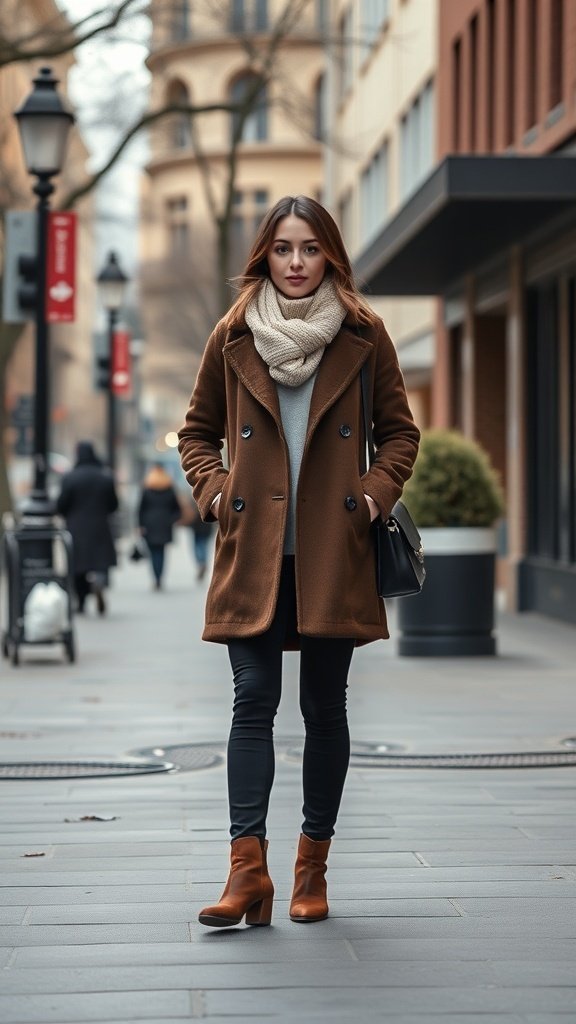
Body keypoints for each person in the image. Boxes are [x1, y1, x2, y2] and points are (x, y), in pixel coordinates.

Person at [178, 195, 420, 929]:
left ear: (330, 257)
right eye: (283, 248)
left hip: (331, 552)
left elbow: (400, 434)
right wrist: (218, 495)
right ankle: (246, 871)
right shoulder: (232, 335)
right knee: (252, 700)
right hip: (252, 549)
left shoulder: (363, 333)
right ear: (265, 255)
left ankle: (311, 868)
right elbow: (196, 433)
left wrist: (370, 498)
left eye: (310, 248)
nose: (295, 262)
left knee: (324, 707)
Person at [56, 441, 118, 615]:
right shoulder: (105, 476)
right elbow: (114, 504)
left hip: (76, 527)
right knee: (100, 561)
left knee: (78, 566)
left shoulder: (70, 477)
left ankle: (82, 601)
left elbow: (61, 504)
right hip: (100, 526)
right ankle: (99, 582)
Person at [137, 463, 182, 590]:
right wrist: (171, 519)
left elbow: (140, 509)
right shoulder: (169, 488)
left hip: (149, 524)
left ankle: (156, 577)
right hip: (165, 524)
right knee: (161, 552)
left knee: (153, 552)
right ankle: (159, 577)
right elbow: (177, 509)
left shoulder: (147, 488)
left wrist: (140, 525)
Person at [187, 497, 215, 580]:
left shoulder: (194, 497)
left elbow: (190, 512)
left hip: (196, 526)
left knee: (197, 545)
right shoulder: (210, 497)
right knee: (204, 545)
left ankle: (201, 562)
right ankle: (203, 562)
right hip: (207, 525)